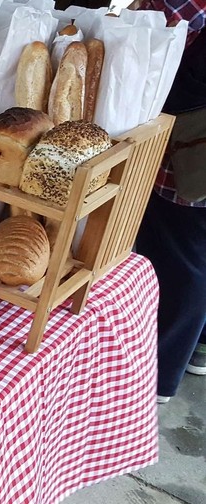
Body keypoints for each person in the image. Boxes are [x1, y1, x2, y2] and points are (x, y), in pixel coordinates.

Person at [135, 0, 206, 403]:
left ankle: (160, 374)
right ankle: (198, 349)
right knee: (196, 253)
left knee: (179, 262)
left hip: (189, 156)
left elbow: (146, 40)